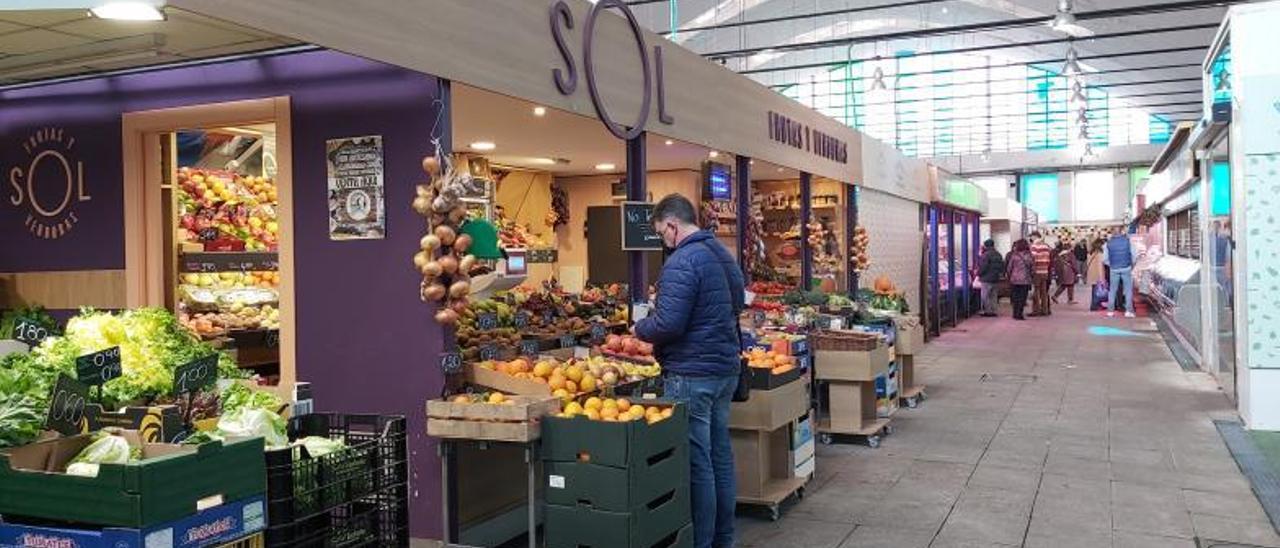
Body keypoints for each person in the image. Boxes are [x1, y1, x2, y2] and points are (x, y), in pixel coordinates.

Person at [635, 193, 744, 548]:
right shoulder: (721, 254)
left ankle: (702, 542)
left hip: (692, 374)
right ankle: (723, 540)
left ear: (671, 225)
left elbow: (669, 324)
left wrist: (639, 329)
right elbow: (738, 301)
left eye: (661, 233)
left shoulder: (683, 260)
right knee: (719, 456)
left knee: (698, 464)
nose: (662, 241)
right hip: (724, 369)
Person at [1103, 230, 1136, 318]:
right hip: (1126, 267)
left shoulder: (1108, 243)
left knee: (1113, 290)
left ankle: (1110, 311)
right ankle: (1128, 311)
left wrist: (1111, 265)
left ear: (1113, 234)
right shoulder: (1128, 241)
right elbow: (1134, 255)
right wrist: (1131, 264)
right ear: (1122, 234)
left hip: (1114, 269)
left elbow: (1105, 259)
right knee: (1128, 290)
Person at [1006, 239, 1034, 320]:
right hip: (1025, 280)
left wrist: (1009, 276)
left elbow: (1009, 268)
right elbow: (1032, 268)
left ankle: (1015, 313)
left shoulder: (1014, 256)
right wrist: (1032, 276)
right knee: (1022, 298)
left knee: (1015, 297)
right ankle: (1019, 314)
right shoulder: (1029, 256)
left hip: (1014, 280)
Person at [976, 239, 1005, 317]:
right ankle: (994, 310)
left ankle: (988, 311)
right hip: (995, 278)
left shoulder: (985, 255)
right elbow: (1002, 265)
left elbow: (983, 267)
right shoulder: (998, 254)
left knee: (985, 295)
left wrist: (978, 274)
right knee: (993, 295)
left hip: (986, 278)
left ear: (985, 246)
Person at [1028, 232, 1053, 316]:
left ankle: (1036, 310)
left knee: (1036, 291)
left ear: (1035, 236)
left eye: (1031, 237)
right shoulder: (1046, 246)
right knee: (1044, 292)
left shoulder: (1034, 246)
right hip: (1045, 271)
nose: (1031, 239)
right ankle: (1045, 310)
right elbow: (1049, 258)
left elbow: (1032, 258)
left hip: (1037, 271)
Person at [1085, 238, 1107, 311]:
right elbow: (1099, 266)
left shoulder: (1090, 253)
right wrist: (1102, 278)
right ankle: (1094, 306)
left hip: (1091, 273)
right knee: (1096, 290)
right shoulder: (1099, 254)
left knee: (1094, 290)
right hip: (1097, 274)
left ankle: (1096, 304)